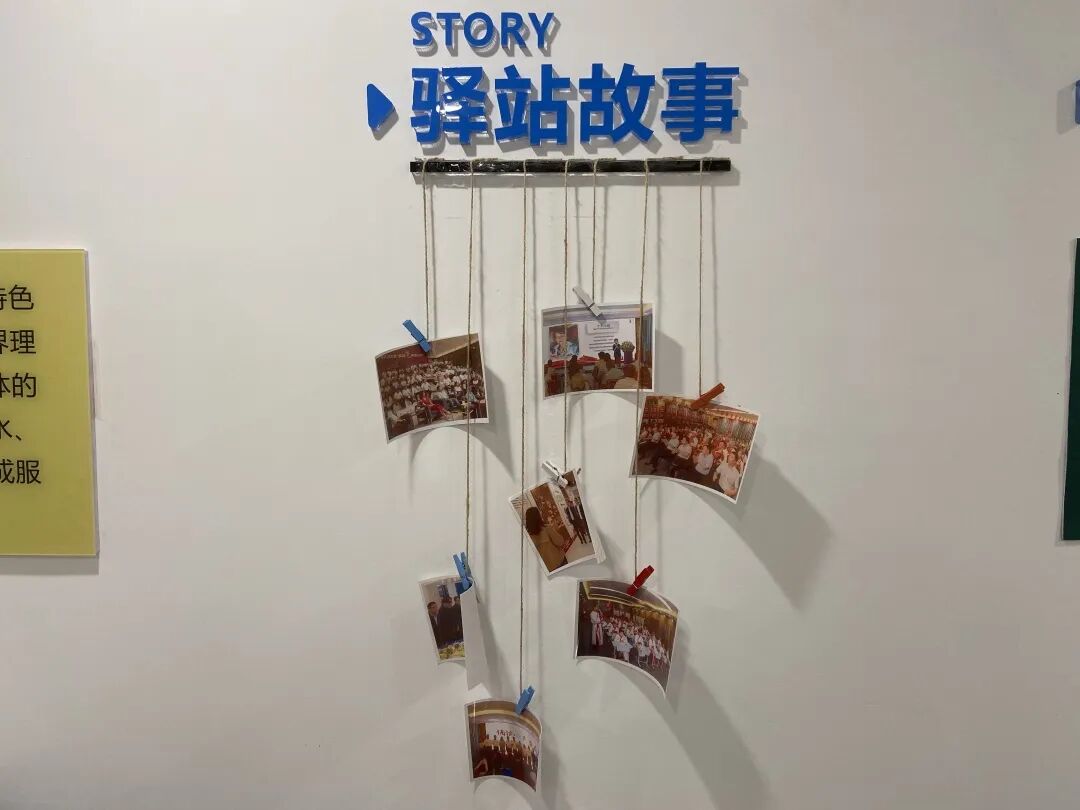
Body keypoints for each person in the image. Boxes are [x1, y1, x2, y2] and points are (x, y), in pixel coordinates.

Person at [524, 506, 568, 572]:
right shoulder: (547, 528)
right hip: (558, 561)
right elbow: (560, 542)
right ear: (538, 516)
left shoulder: (528, 537)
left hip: (546, 568)